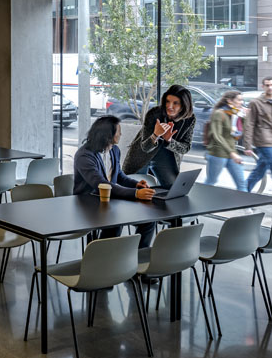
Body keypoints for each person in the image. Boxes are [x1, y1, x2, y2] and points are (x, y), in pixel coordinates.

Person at [73, 115, 155, 243]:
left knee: (149, 221)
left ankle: (139, 259)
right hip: (89, 203)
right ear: (107, 135)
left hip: (111, 200)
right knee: (116, 219)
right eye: (118, 131)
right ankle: (104, 258)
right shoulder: (84, 156)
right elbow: (101, 184)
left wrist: (136, 185)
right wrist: (135, 194)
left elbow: (119, 176)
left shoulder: (114, 150)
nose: (121, 134)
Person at [122, 84, 196, 187]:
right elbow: (145, 147)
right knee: (134, 188)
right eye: (167, 101)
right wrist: (155, 135)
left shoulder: (190, 119)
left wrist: (169, 140)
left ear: (184, 105)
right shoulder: (154, 114)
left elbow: (185, 148)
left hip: (166, 156)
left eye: (175, 103)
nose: (169, 106)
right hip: (141, 154)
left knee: (173, 189)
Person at [204, 90, 246, 190]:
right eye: (239, 100)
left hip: (232, 152)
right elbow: (217, 135)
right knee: (211, 182)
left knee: (241, 184)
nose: (242, 102)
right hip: (218, 153)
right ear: (230, 101)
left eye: (242, 100)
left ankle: (247, 206)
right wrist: (232, 153)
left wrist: (244, 117)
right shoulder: (219, 113)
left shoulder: (235, 114)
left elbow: (239, 133)